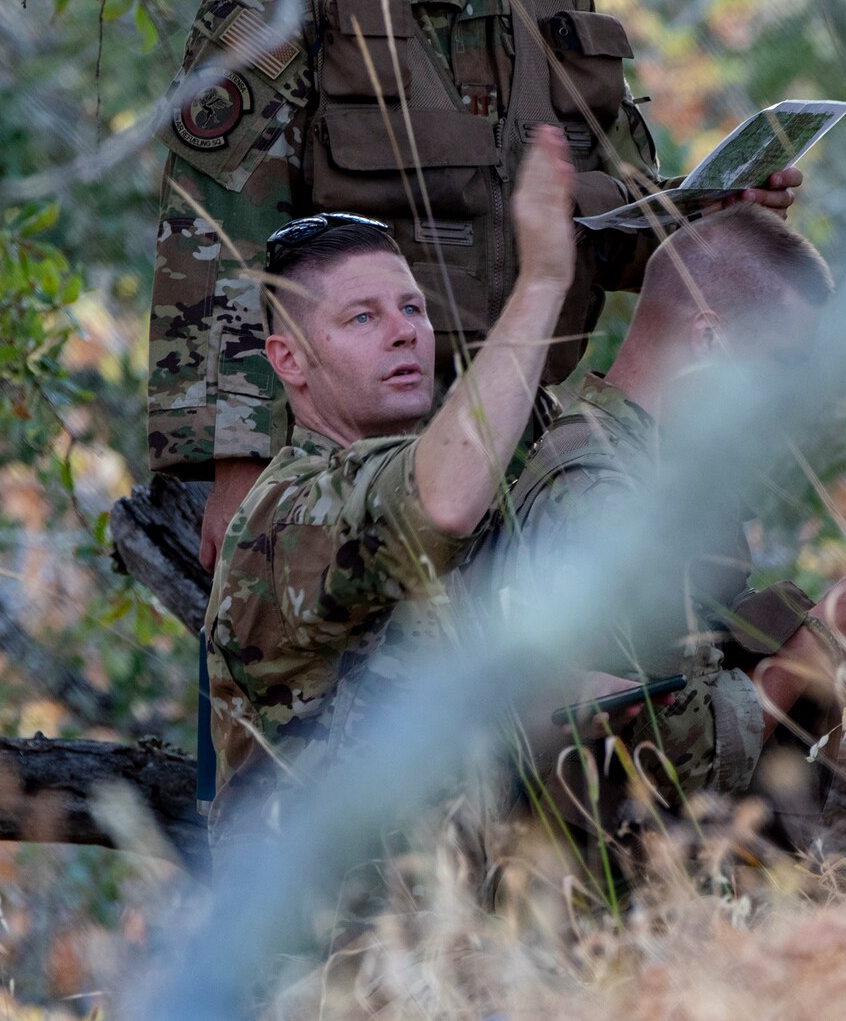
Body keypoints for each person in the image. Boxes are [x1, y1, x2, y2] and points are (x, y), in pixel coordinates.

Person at [151, 0, 800, 572]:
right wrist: (238, 466)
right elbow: (216, 228)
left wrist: (721, 213)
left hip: (537, 459)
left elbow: (624, 221)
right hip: (358, 476)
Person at [499, 206, 846, 862]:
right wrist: (822, 642)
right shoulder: (598, 490)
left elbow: (698, 670)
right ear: (707, 340)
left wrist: (824, 643)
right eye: (782, 361)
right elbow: (664, 755)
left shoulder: (661, 471)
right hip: (612, 913)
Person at [201, 127, 578, 840]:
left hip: (470, 932)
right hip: (342, 946)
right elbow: (439, 503)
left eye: (413, 308)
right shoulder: (285, 514)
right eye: (362, 317)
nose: (405, 332)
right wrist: (542, 281)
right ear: (290, 360)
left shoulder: (450, 470)